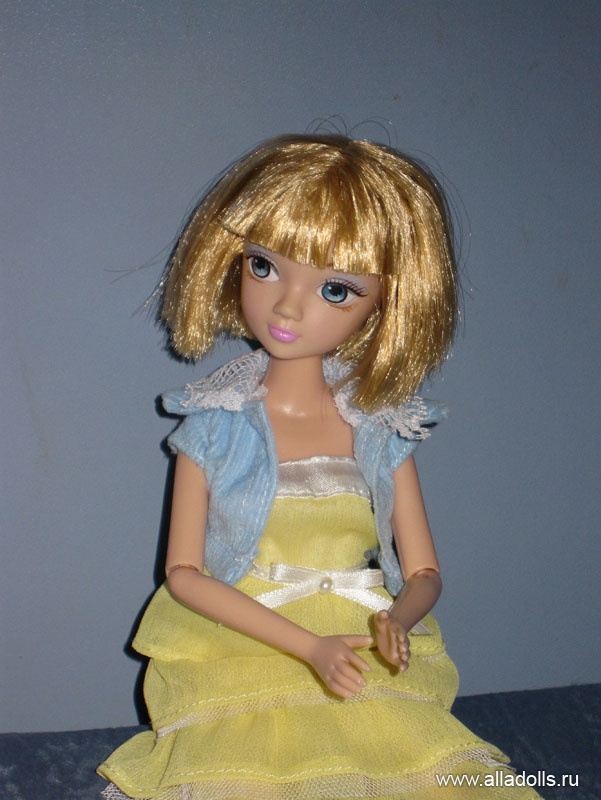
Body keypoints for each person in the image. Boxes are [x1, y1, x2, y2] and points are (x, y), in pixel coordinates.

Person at [98, 134, 541, 799]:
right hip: (247, 645)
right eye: (263, 266)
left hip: (362, 646)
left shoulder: (380, 428)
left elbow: (424, 572)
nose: (286, 305)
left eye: (335, 289)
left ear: (387, 305)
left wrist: (397, 621)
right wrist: (307, 647)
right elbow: (184, 575)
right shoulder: (215, 426)